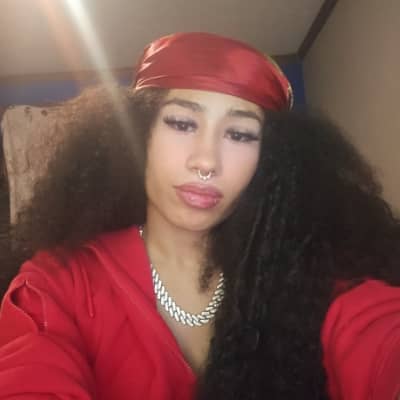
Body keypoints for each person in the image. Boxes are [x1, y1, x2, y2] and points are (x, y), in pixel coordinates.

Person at [0, 31, 399, 400]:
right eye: (182, 123)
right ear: (138, 135)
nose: (206, 161)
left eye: (239, 134)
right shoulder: (55, 285)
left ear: (271, 161)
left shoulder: (308, 275)